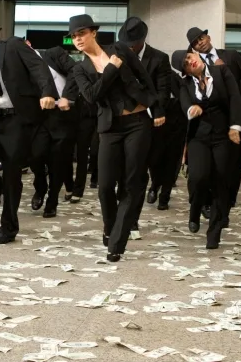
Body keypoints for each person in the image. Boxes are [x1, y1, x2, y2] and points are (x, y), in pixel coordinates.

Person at [70, 14, 161, 262]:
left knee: (131, 183)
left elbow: (144, 76)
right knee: (105, 186)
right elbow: (92, 96)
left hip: (137, 123)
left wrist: (157, 108)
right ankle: (110, 227)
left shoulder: (119, 49)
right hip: (109, 128)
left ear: (93, 33)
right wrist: (111, 69)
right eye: (74, 36)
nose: (78, 39)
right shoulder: (79, 68)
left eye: (81, 33)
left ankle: (117, 242)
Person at [0, 13, 57, 244]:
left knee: (12, 174)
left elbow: (38, 66)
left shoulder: (13, 45)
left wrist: (47, 92)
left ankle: (8, 229)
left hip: (16, 119)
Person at [187, 27, 241, 212]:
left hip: (235, 119)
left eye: (201, 38)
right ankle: (207, 202)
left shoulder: (231, 56)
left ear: (208, 37)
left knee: (234, 163)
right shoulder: (193, 64)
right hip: (207, 123)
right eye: (196, 42)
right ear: (193, 48)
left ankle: (227, 201)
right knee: (208, 165)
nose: (200, 42)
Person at [171, 49, 241, 249]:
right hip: (199, 137)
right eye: (186, 63)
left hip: (223, 135)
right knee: (198, 177)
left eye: (190, 57)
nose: (190, 61)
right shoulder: (185, 84)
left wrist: (235, 126)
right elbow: (185, 103)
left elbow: (235, 98)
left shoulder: (221, 72)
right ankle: (195, 209)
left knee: (221, 181)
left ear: (196, 55)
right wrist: (191, 109)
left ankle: (214, 233)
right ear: (185, 71)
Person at [118, 17, 183, 217]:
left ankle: (160, 190)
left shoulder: (159, 58)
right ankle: (142, 195)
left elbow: (163, 89)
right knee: (137, 164)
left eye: (133, 44)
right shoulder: (117, 55)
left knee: (159, 159)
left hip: (156, 117)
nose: (130, 48)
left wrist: (157, 111)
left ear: (142, 40)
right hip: (128, 117)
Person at [28, 43, 78, 218]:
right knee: (35, 155)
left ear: (29, 45)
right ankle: (40, 187)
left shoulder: (53, 53)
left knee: (58, 160)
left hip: (61, 113)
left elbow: (75, 70)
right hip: (38, 116)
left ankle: (52, 200)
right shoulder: (21, 65)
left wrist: (67, 96)